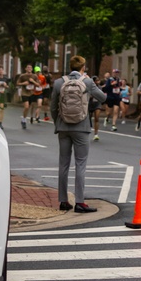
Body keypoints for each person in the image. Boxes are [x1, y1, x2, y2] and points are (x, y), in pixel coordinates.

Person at [50, 56, 108, 214]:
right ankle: (80, 202)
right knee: (80, 164)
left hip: (63, 127)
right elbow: (103, 98)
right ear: (83, 66)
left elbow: (53, 107)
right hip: (81, 127)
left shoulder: (58, 82)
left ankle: (63, 201)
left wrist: (58, 123)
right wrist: (90, 84)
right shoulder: (87, 82)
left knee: (63, 164)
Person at [17, 64, 38, 129]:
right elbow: (17, 83)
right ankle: (24, 120)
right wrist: (23, 83)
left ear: (32, 69)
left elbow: (38, 84)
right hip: (24, 93)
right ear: (26, 69)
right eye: (28, 67)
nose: (29, 68)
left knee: (29, 107)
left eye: (30, 67)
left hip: (31, 93)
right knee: (26, 106)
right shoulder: (22, 76)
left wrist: (33, 81)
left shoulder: (34, 76)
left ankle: (24, 118)